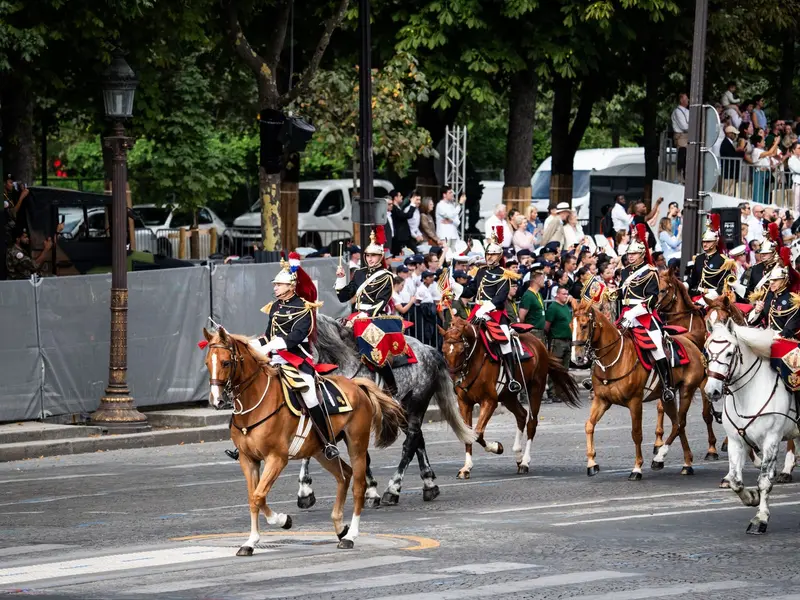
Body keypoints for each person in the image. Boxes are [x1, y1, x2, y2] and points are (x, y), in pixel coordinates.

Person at [247, 258, 340, 460]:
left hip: (296, 359)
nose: (275, 288)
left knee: (310, 395)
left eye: (279, 285)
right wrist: (254, 345)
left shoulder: (304, 308)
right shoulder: (274, 307)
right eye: (275, 285)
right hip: (273, 359)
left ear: (290, 287)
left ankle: (327, 442)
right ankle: (243, 439)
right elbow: (268, 334)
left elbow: (297, 337)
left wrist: (272, 344)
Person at [618, 224, 675, 402]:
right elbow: (623, 293)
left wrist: (633, 313)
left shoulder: (651, 272)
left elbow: (651, 300)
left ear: (642, 255)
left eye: (633, 254)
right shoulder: (625, 271)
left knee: (657, 347)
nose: (630, 256)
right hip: (625, 313)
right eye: (629, 254)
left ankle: (666, 385)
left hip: (643, 316)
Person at [463, 232, 522, 392]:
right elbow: (471, 291)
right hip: (477, 310)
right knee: (460, 336)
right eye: (488, 254)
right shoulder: (480, 271)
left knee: (505, 340)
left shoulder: (504, 274)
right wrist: (456, 289)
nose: (490, 257)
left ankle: (511, 378)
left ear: (499, 255)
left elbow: (500, 297)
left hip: (494, 312)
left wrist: (485, 309)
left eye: (494, 254)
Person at [687, 216, 735, 300]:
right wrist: (684, 285)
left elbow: (723, 286)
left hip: (714, 297)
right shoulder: (699, 258)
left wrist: (710, 296)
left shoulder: (724, 261)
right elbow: (693, 279)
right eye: (704, 242)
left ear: (715, 242)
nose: (705, 244)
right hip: (697, 294)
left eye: (708, 242)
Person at [544, 286, 573, 402]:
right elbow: (547, 326)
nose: (566, 296)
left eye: (567, 294)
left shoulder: (565, 307)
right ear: (557, 295)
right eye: (564, 294)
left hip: (567, 340)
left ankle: (562, 392)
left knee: (564, 368)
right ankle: (553, 392)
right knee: (555, 367)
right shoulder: (553, 308)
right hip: (557, 341)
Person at [518, 262, 546, 343]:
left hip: (540, 332)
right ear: (537, 279)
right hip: (532, 332)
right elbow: (521, 317)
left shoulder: (538, 294)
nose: (544, 280)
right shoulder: (528, 295)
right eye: (543, 277)